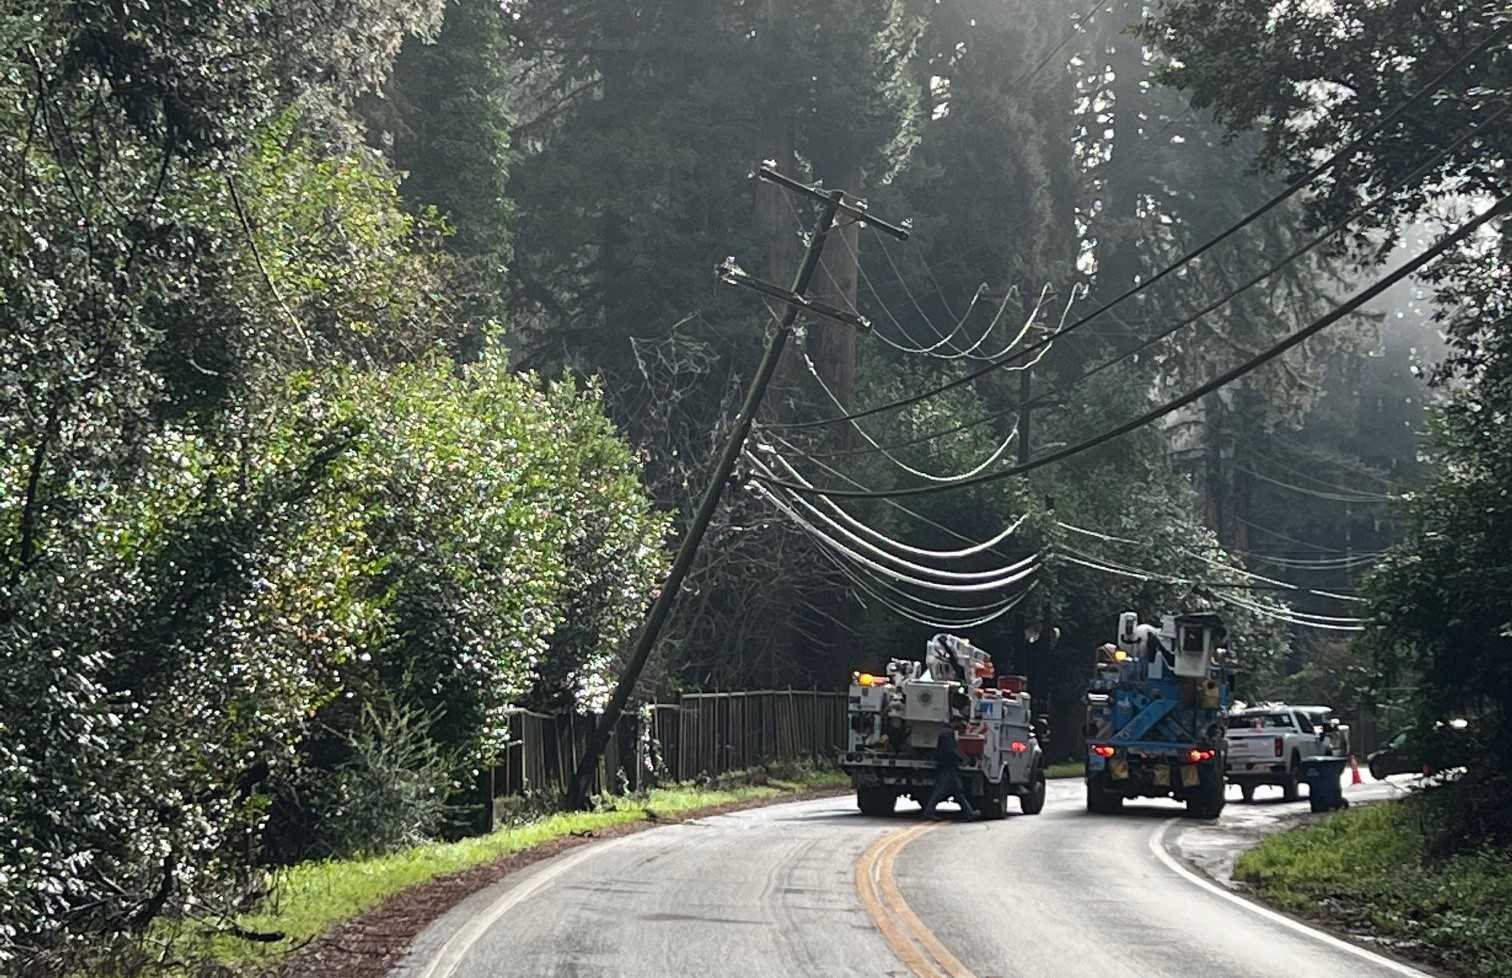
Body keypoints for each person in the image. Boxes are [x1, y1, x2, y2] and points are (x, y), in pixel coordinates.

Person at [922, 722, 979, 820]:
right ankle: (928, 812)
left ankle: (969, 813)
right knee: (941, 791)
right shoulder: (947, 733)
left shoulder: (945, 732)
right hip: (948, 766)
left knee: (958, 791)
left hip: (948, 766)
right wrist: (965, 759)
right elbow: (952, 749)